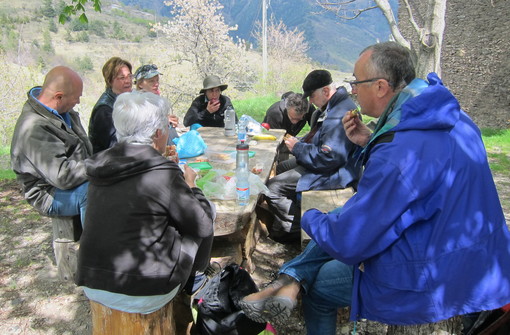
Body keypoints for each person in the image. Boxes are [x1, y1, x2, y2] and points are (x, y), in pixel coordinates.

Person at [241, 42, 510, 334]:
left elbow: (349, 241)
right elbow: (416, 180)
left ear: (381, 86)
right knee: (343, 215)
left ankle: (291, 279)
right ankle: (288, 280)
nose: (353, 90)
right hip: (473, 249)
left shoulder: (399, 151)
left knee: (319, 284)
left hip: (436, 273)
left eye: (356, 82)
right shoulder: (444, 115)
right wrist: (368, 142)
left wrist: (311, 217)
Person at [76, 90, 216, 314]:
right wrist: (192, 186)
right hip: (147, 291)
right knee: (206, 211)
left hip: (92, 281)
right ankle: (196, 278)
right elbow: (203, 225)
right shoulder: (163, 173)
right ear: (159, 132)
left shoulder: (100, 165)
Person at [262, 69, 361, 242]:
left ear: (325, 91)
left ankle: (294, 229)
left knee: (272, 187)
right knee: (281, 167)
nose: (310, 101)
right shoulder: (332, 107)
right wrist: (301, 144)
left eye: (312, 96)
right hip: (325, 163)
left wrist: (298, 147)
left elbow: (329, 158)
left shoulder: (338, 115)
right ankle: (287, 216)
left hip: (335, 172)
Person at [10, 66, 91, 225]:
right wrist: (96, 165)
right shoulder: (34, 127)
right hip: (47, 192)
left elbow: (84, 147)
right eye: (76, 97)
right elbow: (62, 177)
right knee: (92, 193)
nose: (78, 101)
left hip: (73, 178)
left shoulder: (64, 110)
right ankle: (95, 247)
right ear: (58, 97)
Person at [88, 57, 133, 154]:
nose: (128, 81)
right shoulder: (104, 110)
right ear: (110, 80)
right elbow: (114, 145)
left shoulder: (128, 99)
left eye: (129, 76)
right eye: (122, 78)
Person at [133, 63, 179, 142]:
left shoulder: (155, 99)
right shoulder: (135, 102)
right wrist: (163, 121)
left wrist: (171, 120)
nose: (156, 84)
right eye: (151, 81)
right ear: (140, 84)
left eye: (157, 80)